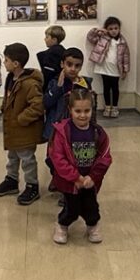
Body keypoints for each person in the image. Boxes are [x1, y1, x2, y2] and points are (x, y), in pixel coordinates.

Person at [49, 89, 112, 244]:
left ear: (92, 110)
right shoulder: (62, 132)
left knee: (92, 207)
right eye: (78, 111)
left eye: (87, 111)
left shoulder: (98, 132)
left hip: (90, 181)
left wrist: (93, 177)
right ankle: (62, 224)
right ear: (70, 110)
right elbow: (58, 158)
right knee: (72, 208)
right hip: (70, 182)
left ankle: (93, 225)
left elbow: (105, 157)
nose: (82, 115)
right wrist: (75, 177)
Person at [0, 43, 45, 205]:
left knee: (27, 159)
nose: (4, 63)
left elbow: (38, 105)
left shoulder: (30, 83)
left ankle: (32, 186)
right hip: (13, 129)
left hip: (24, 130)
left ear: (16, 63)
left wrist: (21, 119)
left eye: (6, 60)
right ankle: (12, 180)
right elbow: (10, 97)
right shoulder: (11, 78)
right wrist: (4, 106)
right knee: (12, 156)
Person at [43, 47, 95, 192]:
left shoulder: (84, 84)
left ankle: (70, 185)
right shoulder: (55, 82)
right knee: (53, 157)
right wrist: (58, 87)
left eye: (77, 65)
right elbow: (46, 102)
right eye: (69, 64)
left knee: (72, 158)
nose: (73, 69)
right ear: (62, 64)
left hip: (75, 130)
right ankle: (56, 177)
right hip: (56, 129)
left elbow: (89, 106)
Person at [86, 16, 130, 118]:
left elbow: (126, 56)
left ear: (119, 28)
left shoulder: (122, 42)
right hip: (104, 68)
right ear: (106, 29)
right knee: (106, 88)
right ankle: (107, 107)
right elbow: (90, 37)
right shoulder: (102, 38)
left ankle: (114, 107)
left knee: (115, 88)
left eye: (116, 28)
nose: (113, 31)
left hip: (116, 69)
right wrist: (98, 30)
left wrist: (125, 70)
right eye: (110, 29)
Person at [36, 25, 67, 94]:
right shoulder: (65, 53)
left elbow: (47, 76)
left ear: (54, 40)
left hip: (51, 89)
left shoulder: (50, 56)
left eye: (47, 37)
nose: (44, 39)